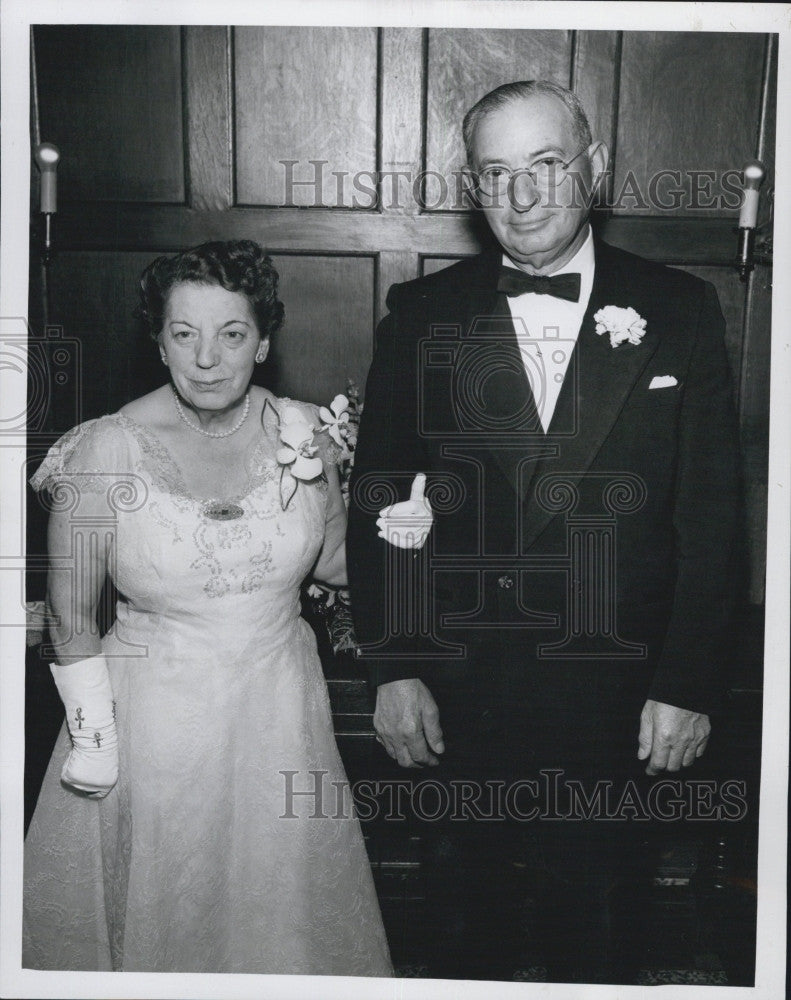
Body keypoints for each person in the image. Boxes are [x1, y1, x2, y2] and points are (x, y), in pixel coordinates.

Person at [347, 81, 740, 982]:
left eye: (545, 165)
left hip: (618, 703)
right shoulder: (422, 315)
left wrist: (687, 684)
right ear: (473, 187)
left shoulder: (677, 309)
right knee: (457, 939)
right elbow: (380, 501)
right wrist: (396, 666)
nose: (521, 198)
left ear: (594, 169)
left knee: (600, 938)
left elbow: (711, 521)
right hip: (459, 699)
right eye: (495, 173)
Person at [23, 240, 392, 976]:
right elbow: (70, 617)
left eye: (230, 334)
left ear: (262, 341)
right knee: (168, 912)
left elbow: (333, 562)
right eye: (184, 334)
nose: (206, 358)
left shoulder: (303, 431)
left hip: (280, 712)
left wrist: (406, 537)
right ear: (158, 342)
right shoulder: (106, 449)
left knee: (280, 918)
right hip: (152, 723)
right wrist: (97, 743)